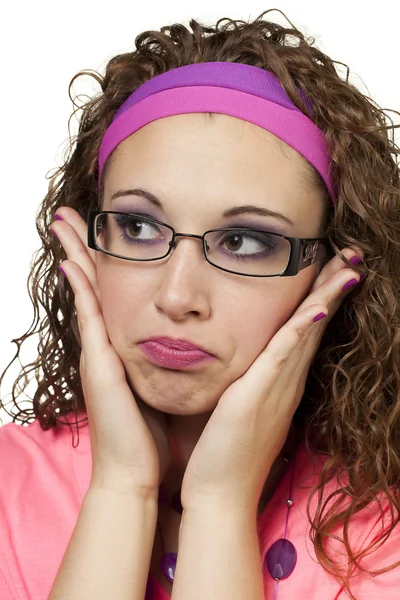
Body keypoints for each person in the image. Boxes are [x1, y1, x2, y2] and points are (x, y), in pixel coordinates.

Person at [1, 9, 400, 600]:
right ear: (89, 242)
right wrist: (121, 489)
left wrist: (220, 504)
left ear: (329, 272)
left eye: (244, 242)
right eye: (138, 226)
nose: (177, 296)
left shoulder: (380, 530)